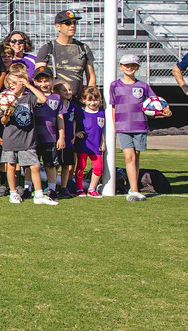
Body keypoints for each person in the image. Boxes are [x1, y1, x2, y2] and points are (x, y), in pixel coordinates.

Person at [110, 53, 171, 201]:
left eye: (132, 65)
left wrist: (166, 111)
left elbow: (158, 104)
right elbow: (113, 107)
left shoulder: (143, 86)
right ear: (120, 67)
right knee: (129, 157)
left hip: (140, 126)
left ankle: (133, 187)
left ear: (137, 67)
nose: (129, 68)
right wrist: (114, 127)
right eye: (126, 65)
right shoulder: (115, 85)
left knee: (136, 158)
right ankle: (134, 191)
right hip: (123, 127)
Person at [0, 66, 57, 205]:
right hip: (11, 139)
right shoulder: (5, 98)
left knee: (35, 166)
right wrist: (6, 116)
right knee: (11, 166)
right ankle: (13, 193)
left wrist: (29, 85)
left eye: (14, 83)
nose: (10, 86)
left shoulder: (29, 98)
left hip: (27, 139)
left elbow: (43, 99)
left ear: (23, 82)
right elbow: (3, 121)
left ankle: (38, 195)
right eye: (9, 83)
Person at [35, 10, 96, 99]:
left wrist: (89, 97)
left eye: (74, 23)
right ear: (58, 27)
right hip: (54, 102)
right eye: (67, 23)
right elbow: (38, 77)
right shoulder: (48, 48)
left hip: (77, 102)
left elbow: (91, 76)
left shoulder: (83, 48)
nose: (72, 26)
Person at [32, 69, 65, 199]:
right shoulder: (32, 97)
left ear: (52, 80)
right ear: (34, 82)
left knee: (50, 164)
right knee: (32, 164)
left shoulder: (56, 98)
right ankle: (29, 187)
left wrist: (61, 136)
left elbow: (60, 118)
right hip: (33, 137)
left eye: (46, 81)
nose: (43, 84)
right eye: (40, 81)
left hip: (50, 137)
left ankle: (52, 189)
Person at [73, 86, 106, 197]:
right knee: (81, 167)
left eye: (95, 100)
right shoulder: (80, 112)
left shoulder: (102, 112)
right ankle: (79, 189)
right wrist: (76, 134)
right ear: (84, 100)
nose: (93, 103)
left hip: (96, 145)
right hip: (83, 145)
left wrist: (103, 142)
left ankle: (92, 189)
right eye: (90, 100)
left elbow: (103, 130)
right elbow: (73, 124)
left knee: (98, 167)